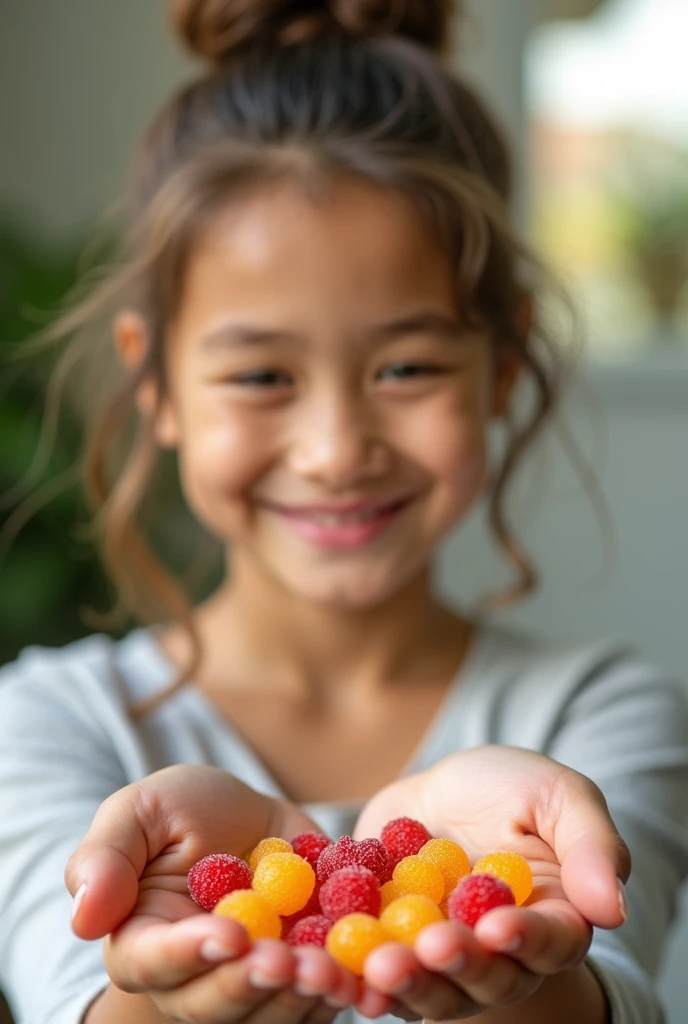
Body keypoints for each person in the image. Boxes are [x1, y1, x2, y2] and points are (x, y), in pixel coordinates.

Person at [0, 0, 687, 1022]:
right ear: (158, 386)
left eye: (405, 365)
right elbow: (74, 1000)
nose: (334, 450)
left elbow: (609, 992)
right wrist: (163, 994)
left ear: (501, 365)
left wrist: (524, 982)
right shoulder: (49, 723)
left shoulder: (593, 717)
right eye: (262, 374)